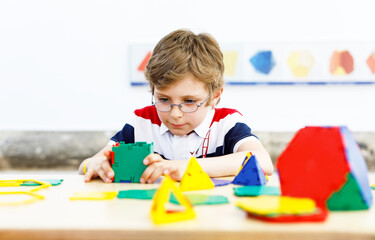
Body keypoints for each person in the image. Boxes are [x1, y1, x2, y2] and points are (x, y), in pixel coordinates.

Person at [79, 29, 273, 183]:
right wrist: (94, 164)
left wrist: (185, 167)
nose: (175, 114)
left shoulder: (226, 123)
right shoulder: (142, 122)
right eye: (163, 100)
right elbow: (85, 166)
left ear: (215, 96)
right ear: (152, 90)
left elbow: (262, 162)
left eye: (189, 101)